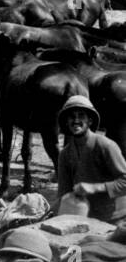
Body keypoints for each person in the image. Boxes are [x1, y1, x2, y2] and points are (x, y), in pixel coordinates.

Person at [54, 95, 126, 223]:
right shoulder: (65, 154)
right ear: (66, 122)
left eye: (81, 116)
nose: (76, 120)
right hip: (86, 217)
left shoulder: (105, 145)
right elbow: (63, 193)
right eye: (72, 116)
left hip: (115, 218)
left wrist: (96, 187)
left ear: (90, 121)